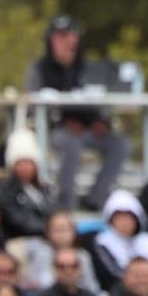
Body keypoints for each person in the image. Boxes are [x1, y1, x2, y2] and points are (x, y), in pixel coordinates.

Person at [24, 15, 126, 208]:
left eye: (72, 36)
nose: (68, 41)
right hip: (56, 130)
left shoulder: (88, 68)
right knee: (70, 145)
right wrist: (60, 121)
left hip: (90, 128)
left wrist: (101, 120)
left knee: (120, 144)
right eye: (62, 36)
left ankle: (97, 198)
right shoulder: (39, 69)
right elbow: (32, 104)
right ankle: (65, 203)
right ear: (51, 40)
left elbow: (102, 97)